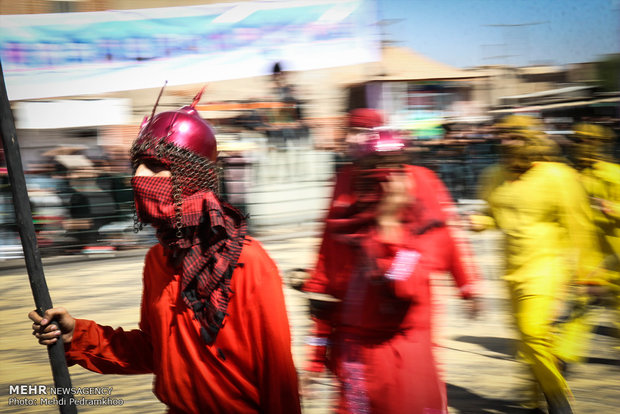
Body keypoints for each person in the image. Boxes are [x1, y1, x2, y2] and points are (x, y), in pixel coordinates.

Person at [29, 91, 302, 414]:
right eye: (137, 165)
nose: (139, 177)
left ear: (190, 179)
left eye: (156, 166)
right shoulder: (157, 260)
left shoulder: (248, 261)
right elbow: (155, 350)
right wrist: (79, 334)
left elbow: (279, 375)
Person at [303, 109, 480, 414]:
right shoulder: (344, 181)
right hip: (352, 335)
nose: (350, 139)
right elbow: (327, 253)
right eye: (349, 131)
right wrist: (316, 355)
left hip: (405, 334)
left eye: (359, 131)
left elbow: (432, 250)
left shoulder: (419, 186)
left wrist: (467, 283)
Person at [469, 116, 601, 414]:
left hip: (547, 266)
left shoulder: (558, 175)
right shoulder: (494, 175)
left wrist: (587, 274)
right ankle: (535, 398)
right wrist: (480, 222)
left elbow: (578, 226)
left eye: (513, 136)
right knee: (527, 343)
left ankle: (558, 401)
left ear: (531, 138)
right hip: (511, 270)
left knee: (532, 331)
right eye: (502, 136)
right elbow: (492, 214)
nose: (505, 142)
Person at [553, 122, 620, 367]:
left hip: (616, 256)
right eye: (578, 140)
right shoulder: (571, 177)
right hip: (589, 261)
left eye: (587, 141)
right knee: (580, 309)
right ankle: (564, 355)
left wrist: (613, 209)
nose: (581, 146)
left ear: (600, 144)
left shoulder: (614, 175)